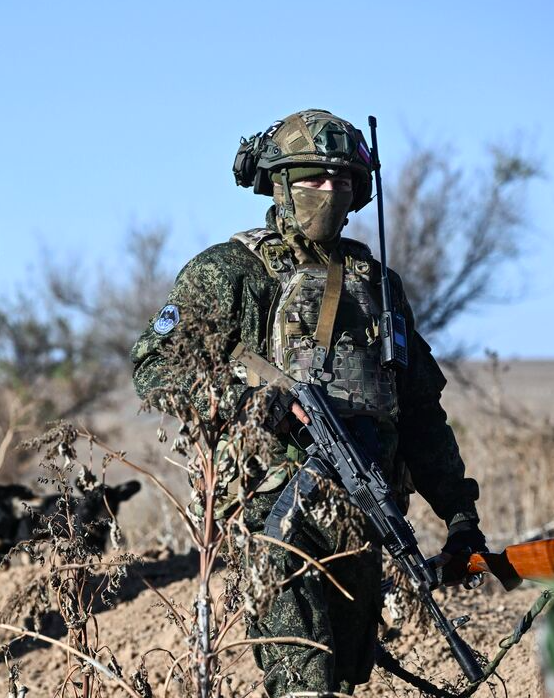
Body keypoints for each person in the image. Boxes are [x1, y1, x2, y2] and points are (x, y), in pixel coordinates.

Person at [130, 109, 487, 696]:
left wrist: (458, 515)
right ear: (278, 184)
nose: (328, 192)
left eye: (341, 181)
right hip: (270, 517)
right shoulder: (229, 272)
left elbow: (420, 412)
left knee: (346, 675)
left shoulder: (379, 286)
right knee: (303, 679)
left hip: (360, 515)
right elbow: (155, 367)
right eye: (312, 179)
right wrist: (248, 400)